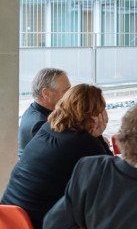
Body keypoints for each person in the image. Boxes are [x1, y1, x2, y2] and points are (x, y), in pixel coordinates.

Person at [1, 84, 112, 229]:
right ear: (95, 115)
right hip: (41, 222)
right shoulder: (84, 143)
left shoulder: (47, 128)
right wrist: (98, 137)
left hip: (9, 216)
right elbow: (113, 177)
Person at [18, 68, 71, 157]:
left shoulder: (33, 110)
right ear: (45, 93)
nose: (70, 96)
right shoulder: (40, 124)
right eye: (66, 92)